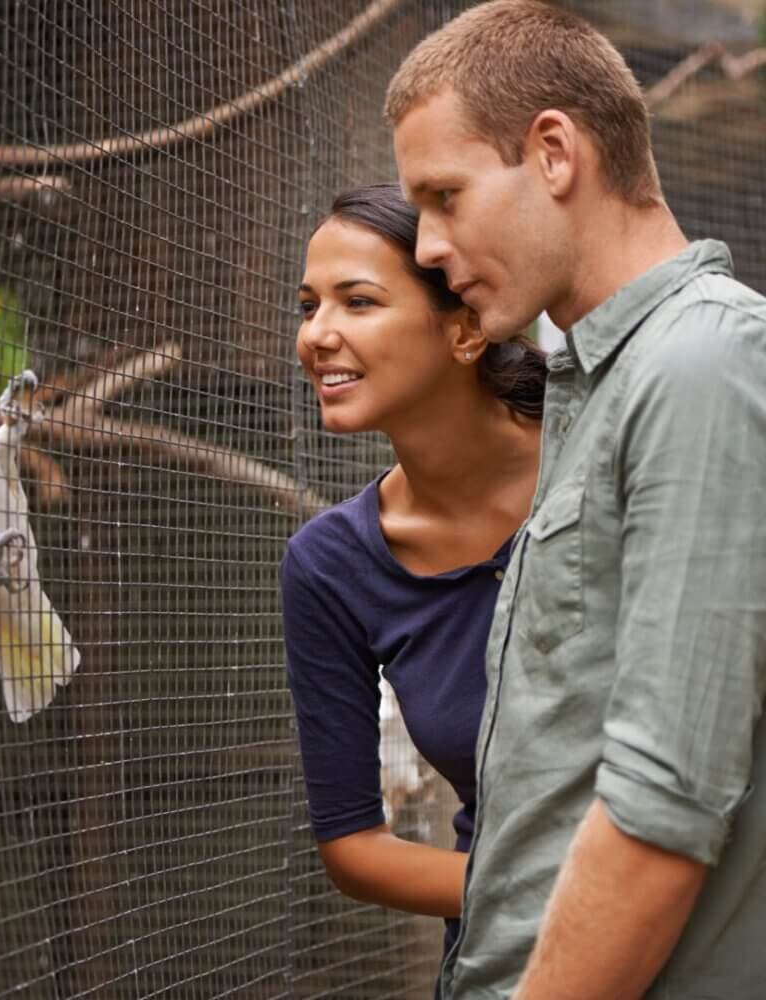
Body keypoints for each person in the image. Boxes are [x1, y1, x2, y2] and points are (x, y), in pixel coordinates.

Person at [385, 2, 766, 998]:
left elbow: (661, 807)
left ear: (553, 152)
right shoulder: (594, 380)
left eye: (444, 195)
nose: (425, 245)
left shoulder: (700, 366)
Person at [281, 182, 545, 973]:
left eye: (357, 302)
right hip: (510, 955)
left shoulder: (605, 451)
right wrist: (551, 895)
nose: (317, 335)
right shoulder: (329, 564)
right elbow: (355, 847)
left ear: (465, 331)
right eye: (308, 305)